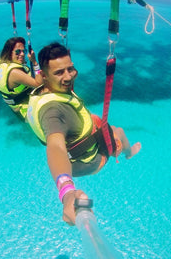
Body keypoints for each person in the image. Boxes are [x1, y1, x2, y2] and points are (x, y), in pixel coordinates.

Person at [26, 42, 141, 225]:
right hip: (92, 161)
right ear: (45, 76)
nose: (68, 76)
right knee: (118, 131)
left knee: (96, 120)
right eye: (59, 72)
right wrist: (67, 193)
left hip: (77, 152)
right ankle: (128, 153)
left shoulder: (41, 92)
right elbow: (56, 146)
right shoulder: (52, 112)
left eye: (70, 69)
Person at [0, 37, 43, 120]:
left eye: (24, 51)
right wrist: (34, 62)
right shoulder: (14, 73)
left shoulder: (0, 62)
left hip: (14, 106)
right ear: (9, 53)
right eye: (17, 52)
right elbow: (38, 84)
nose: (22, 54)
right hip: (24, 110)